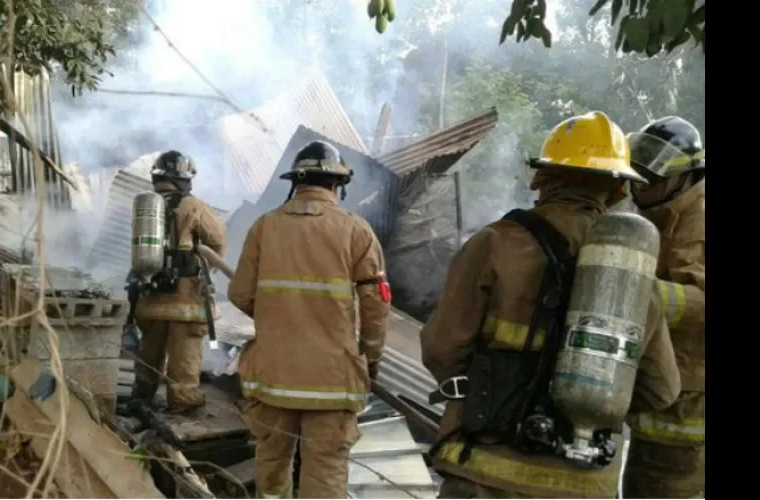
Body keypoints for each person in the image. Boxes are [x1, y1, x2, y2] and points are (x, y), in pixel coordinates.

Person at [420, 111, 682, 499]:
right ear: (619, 190)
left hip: (484, 471)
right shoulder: (633, 275)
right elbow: (661, 390)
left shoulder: (494, 244)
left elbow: (441, 348)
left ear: (542, 177)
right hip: (584, 484)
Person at [228, 140, 390, 498]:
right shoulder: (357, 231)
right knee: (325, 477)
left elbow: (239, 294)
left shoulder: (264, 227)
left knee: (271, 467)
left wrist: (278, 316)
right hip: (332, 381)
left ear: (296, 183)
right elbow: (376, 307)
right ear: (337, 185)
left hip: (273, 377)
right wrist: (370, 356)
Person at [622, 116, 706, 499]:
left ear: (685, 177)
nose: (642, 185)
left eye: (654, 177)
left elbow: (699, 300)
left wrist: (641, 293)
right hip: (657, 405)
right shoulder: (659, 215)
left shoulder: (698, 220)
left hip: (691, 414)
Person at [129, 150, 226, 413]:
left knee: (151, 349)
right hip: (186, 299)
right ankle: (182, 401)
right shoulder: (192, 206)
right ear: (185, 178)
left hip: (150, 296)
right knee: (185, 354)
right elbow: (217, 240)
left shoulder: (145, 208)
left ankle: (142, 395)